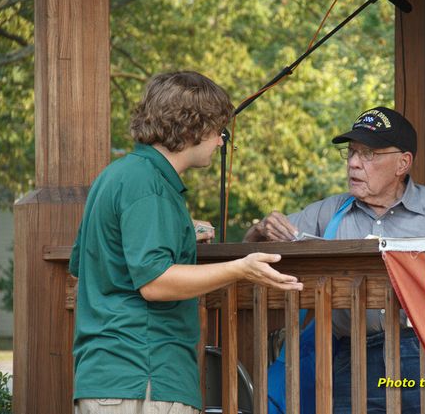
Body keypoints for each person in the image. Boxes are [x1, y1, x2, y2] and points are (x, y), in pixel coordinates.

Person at [69, 71, 303, 414]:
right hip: (144, 378)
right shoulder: (151, 186)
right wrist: (241, 268)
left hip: (107, 378)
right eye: (219, 131)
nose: (222, 142)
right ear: (193, 128)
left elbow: (91, 263)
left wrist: (176, 229)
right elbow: (155, 282)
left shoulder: (119, 175)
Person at [245, 106, 425, 414]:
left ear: (402, 163)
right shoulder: (329, 211)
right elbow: (250, 247)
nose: (353, 163)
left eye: (368, 154)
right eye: (351, 152)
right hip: (351, 358)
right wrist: (261, 229)